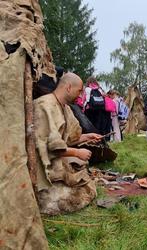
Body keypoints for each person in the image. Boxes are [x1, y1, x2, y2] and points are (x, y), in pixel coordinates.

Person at [34, 72, 103, 215]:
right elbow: (46, 147)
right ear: (68, 87)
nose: (80, 95)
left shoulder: (65, 108)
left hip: (56, 162)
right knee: (69, 198)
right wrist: (77, 152)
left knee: (85, 185)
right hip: (42, 167)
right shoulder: (44, 105)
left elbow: (68, 139)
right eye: (79, 91)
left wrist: (86, 136)